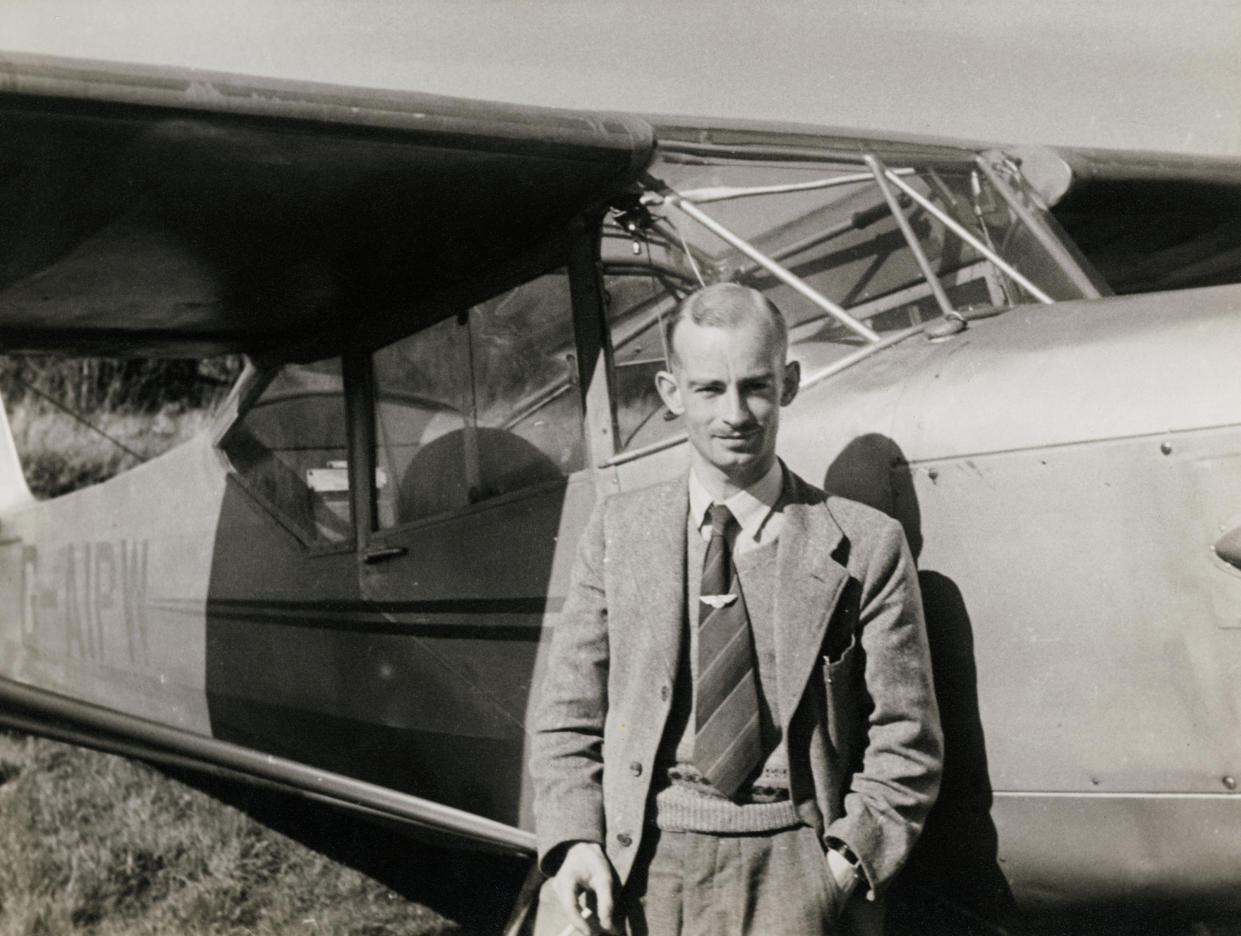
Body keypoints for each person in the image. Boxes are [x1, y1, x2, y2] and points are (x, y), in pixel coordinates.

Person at [530, 283, 942, 935]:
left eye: (755, 385)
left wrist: (836, 870)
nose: (735, 414)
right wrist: (575, 842)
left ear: (790, 382)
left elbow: (908, 738)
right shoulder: (618, 532)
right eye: (708, 390)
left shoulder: (865, 545)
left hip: (795, 867)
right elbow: (565, 718)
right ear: (670, 393)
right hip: (643, 862)